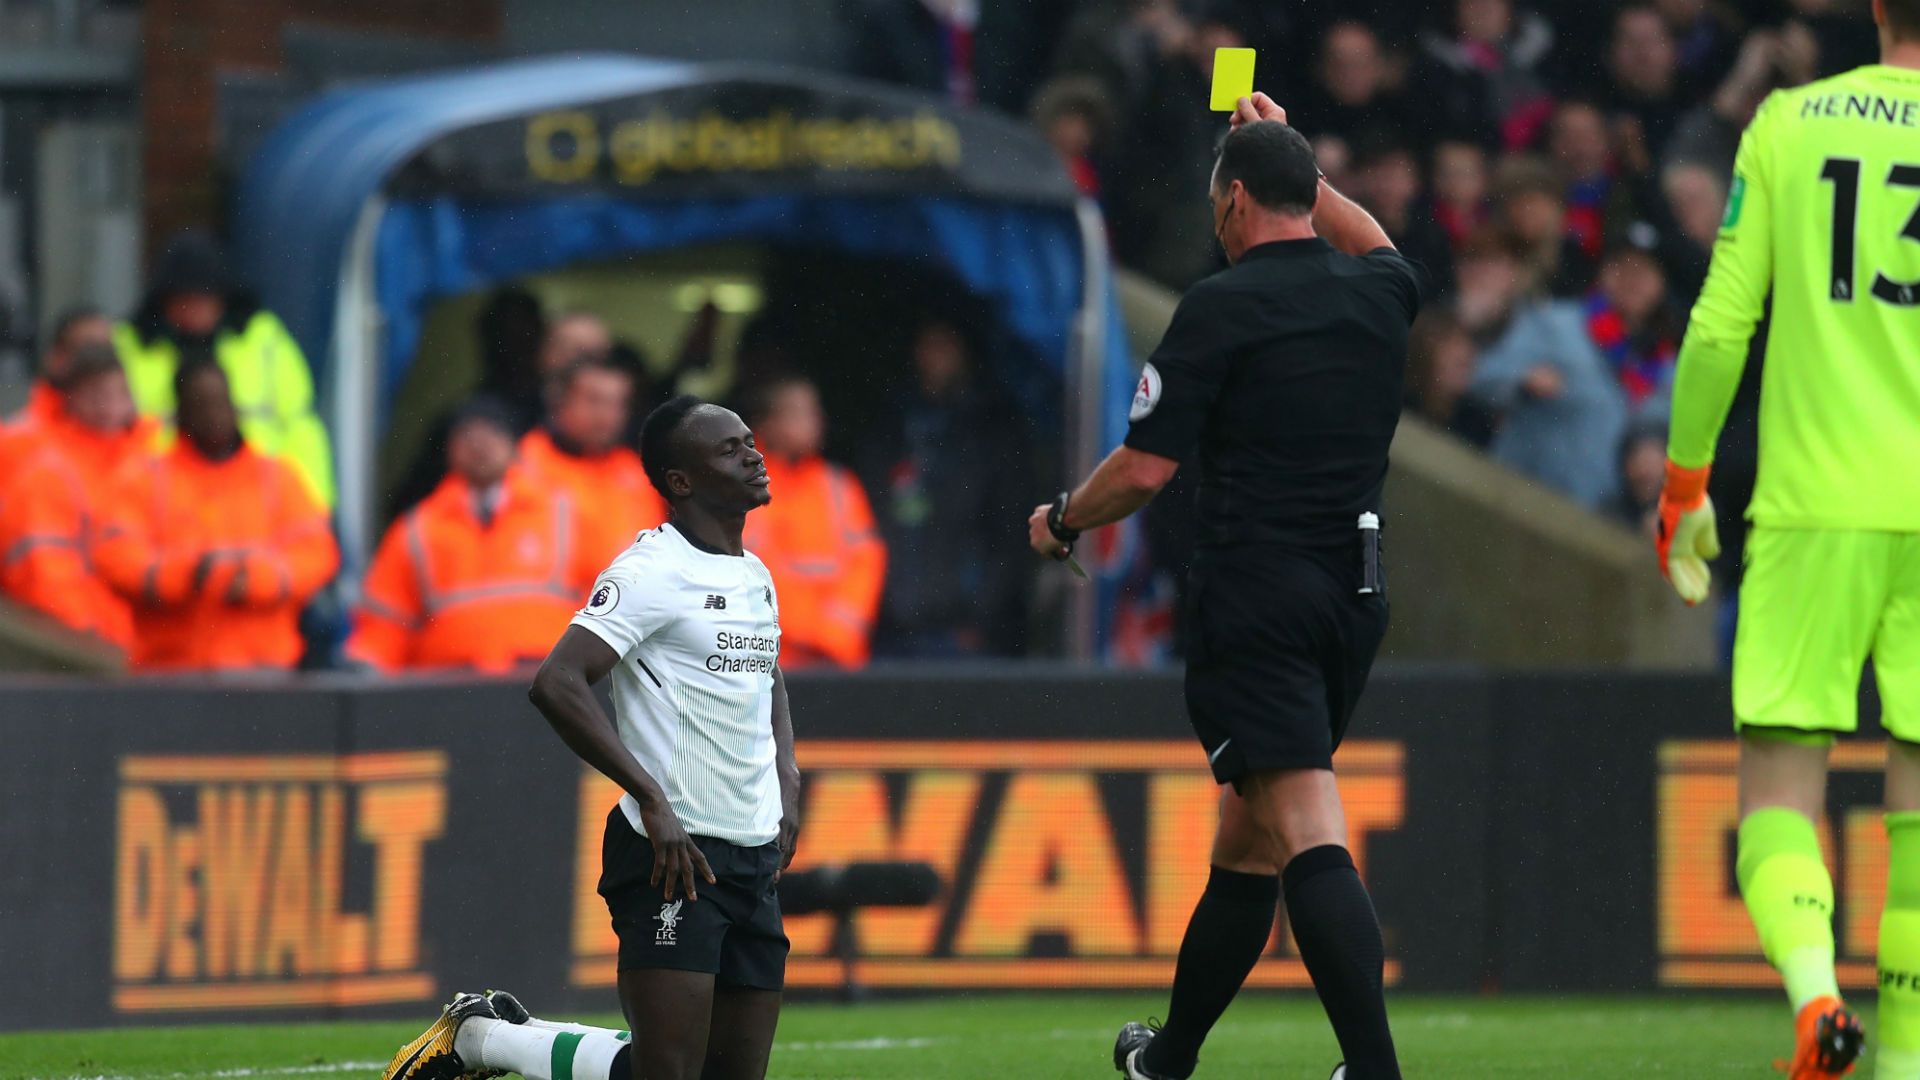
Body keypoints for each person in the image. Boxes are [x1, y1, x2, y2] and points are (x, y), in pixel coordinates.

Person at [1027, 101, 1424, 1080]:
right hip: (1354, 597)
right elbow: (1373, 239)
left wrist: (1065, 518)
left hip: (1261, 598)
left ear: (1236, 199)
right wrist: (1297, 162)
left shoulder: (1220, 306)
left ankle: (1374, 1069)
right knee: (1249, 840)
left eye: (1220, 204)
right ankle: (1169, 1059)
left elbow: (1144, 470)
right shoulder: (1381, 291)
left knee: (1305, 826)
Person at [1653, 2, 1920, 1075]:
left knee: (1776, 792)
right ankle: (1905, 1061)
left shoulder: (1790, 122)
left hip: (1813, 506)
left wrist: (1685, 483)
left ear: (1875, 9)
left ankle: (1817, 1001)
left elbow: (1723, 321)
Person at [382, 396, 798, 1080]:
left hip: (752, 855)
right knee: (666, 1072)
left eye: (750, 441)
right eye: (730, 449)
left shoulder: (754, 573)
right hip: (676, 854)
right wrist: (651, 799)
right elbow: (557, 682)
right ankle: (481, 1041)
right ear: (681, 481)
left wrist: (788, 776)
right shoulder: (650, 571)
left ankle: (490, 1033)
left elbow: (768, 674)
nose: (753, 455)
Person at [92, 359, 338, 671]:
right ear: (181, 413)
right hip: (171, 669)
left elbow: (318, 554)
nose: (213, 414)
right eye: (201, 404)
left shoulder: (276, 477)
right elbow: (114, 557)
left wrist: (254, 579)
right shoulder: (146, 480)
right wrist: (187, 576)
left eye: (220, 401)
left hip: (262, 667)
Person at [347, 398, 598, 673]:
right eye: (467, 437)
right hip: (451, 683)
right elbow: (386, 622)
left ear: (515, 445)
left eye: (492, 434)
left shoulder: (566, 514)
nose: (479, 446)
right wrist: (367, 664)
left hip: (546, 678)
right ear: (449, 450)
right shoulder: (418, 529)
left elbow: (607, 598)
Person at [113, 231, 335, 506]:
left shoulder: (262, 338)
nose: (194, 309)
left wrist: (312, 505)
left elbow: (300, 427)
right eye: (184, 298)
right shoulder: (131, 346)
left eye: (204, 298)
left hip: (256, 496)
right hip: (160, 501)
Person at [860, 317, 1031, 658]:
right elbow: (868, 523)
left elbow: (1011, 535)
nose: (933, 356)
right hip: (892, 626)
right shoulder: (892, 425)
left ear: (965, 352)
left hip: (963, 630)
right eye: (927, 345)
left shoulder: (992, 429)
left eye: (944, 345)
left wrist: (983, 617)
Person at [1459, 228, 1628, 509]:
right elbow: (1482, 376)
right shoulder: (1555, 322)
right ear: (1605, 272)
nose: (1633, 283)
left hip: (1595, 515)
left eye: (1644, 275)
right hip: (1519, 496)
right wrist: (1523, 380)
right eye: (1623, 269)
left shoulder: (1658, 365)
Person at [0, 343, 151, 649]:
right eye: (95, 394)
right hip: (93, 647)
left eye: (118, 393)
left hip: (158, 649)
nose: (109, 405)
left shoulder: (153, 466)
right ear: (71, 399)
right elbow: (46, 575)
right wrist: (99, 639)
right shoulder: (51, 473)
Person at [741, 376, 886, 668]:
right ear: (767, 424)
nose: (812, 422)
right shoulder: (738, 489)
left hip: (834, 662)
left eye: (814, 412)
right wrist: (806, 631)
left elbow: (866, 563)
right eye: (797, 413)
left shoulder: (839, 486)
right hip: (762, 664)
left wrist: (832, 636)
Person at [518, 353, 666, 570]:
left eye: (617, 404)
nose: (606, 416)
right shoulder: (522, 464)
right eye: (594, 400)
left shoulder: (636, 472)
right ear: (560, 400)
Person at [0, 308, 115, 477]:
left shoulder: (140, 450)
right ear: (56, 357)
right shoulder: (14, 445)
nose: (100, 363)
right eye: (87, 350)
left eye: (107, 351)